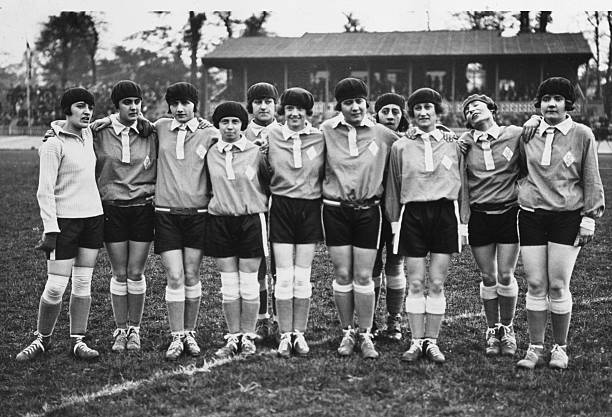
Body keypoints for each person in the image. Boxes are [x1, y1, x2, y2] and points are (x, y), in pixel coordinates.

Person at [516, 77, 604, 370]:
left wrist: (589, 217)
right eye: (545, 99)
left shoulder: (582, 134)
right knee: (536, 283)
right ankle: (535, 347)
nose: (551, 104)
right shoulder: (527, 133)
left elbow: (591, 176)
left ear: (569, 104)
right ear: (538, 104)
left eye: (557, 98)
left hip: (567, 217)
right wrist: (531, 121)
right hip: (531, 215)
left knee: (557, 284)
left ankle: (560, 348)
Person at [16, 87, 104, 361]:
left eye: (90, 107)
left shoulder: (89, 134)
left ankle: (78, 340)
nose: (87, 111)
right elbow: (44, 190)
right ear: (67, 110)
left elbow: (110, 120)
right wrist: (51, 229)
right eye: (80, 106)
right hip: (64, 223)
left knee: (83, 283)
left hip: (93, 218)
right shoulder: (53, 144)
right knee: (55, 286)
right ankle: (42, 339)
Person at [386, 88, 466, 364]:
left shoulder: (454, 144)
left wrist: (463, 223)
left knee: (436, 282)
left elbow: (464, 184)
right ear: (411, 113)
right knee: (416, 281)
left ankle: (432, 341)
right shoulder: (400, 146)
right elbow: (394, 188)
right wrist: (395, 223)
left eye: (428, 107)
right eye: (417, 108)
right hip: (413, 214)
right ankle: (415, 341)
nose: (422, 112)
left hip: (444, 214)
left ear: (437, 111)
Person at [321, 78, 398, 359]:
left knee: (364, 275)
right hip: (334, 209)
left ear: (367, 103)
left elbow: (413, 144)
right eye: (348, 102)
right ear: (339, 106)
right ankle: (347, 332)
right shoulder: (325, 131)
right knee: (342, 274)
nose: (355, 107)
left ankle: (365, 334)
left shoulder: (383, 133)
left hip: (369, 211)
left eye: (359, 101)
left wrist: (451, 137)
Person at [155, 82, 217, 360]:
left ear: (195, 104)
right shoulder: (158, 128)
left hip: (198, 216)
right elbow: (123, 122)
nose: (180, 109)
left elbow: (237, 136)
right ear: (169, 106)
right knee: (175, 276)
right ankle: (176, 336)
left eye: (186, 103)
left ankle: (189, 333)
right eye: (175, 104)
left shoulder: (210, 133)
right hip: (166, 215)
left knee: (192, 275)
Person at [263, 87, 325, 357]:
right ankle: (285, 333)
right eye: (289, 108)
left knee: (302, 276)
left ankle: (299, 333)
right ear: (283, 111)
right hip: (281, 206)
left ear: (308, 112)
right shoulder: (272, 134)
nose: (295, 113)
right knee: (284, 276)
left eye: (300, 108)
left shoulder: (321, 137)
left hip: (310, 208)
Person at [459, 94, 522, 357]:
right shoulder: (464, 144)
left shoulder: (516, 134)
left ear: (491, 109)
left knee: (506, 275)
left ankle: (507, 328)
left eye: (476, 105)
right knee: (487, 276)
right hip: (480, 216)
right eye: (467, 110)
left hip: (509, 213)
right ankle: (491, 329)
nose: (472, 110)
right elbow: (461, 184)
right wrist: (463, 223)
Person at [95, 80, 156, 352]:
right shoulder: (100, 131)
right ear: (116, 106)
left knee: (135, 271)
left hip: (143, 208)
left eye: (136, 102)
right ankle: (120, 330)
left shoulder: (150, 131)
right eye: (126, 102)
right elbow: (69, 127)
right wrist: (54, 128)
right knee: (119, 273)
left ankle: (135, 329)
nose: (133, 107)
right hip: (113, 208)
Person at [206, 102, 270, 359]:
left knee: (249, 280)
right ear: (217, 125)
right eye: (224, 122)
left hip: (251, 219)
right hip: (220, 220)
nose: (230, 127)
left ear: (243, 124)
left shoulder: (257, 152)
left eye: (235, 121)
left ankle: (248, 336)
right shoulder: (210, 152)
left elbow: (269, 181)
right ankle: (233, 337)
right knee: (229, 284)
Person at [371, 93, 409, 340]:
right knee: (371, 266)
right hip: (372, 210)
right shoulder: (368, 137)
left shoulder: (410, 140)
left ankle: (394, 319)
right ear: (376, 115)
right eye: (385, 111)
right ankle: (370, 319)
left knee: (395, 265)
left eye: (396, 111)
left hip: (399, 212)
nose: (391, 116)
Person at [244, 82, 280, 341]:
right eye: (258, 101)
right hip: (252, 205)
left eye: (268, 100)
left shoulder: (286, 131)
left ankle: (279, 320)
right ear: (251, 106)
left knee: (280, 266)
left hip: (281, 206)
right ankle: (261, 319)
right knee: (257, 265)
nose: (264, 106)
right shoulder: (240, 133)